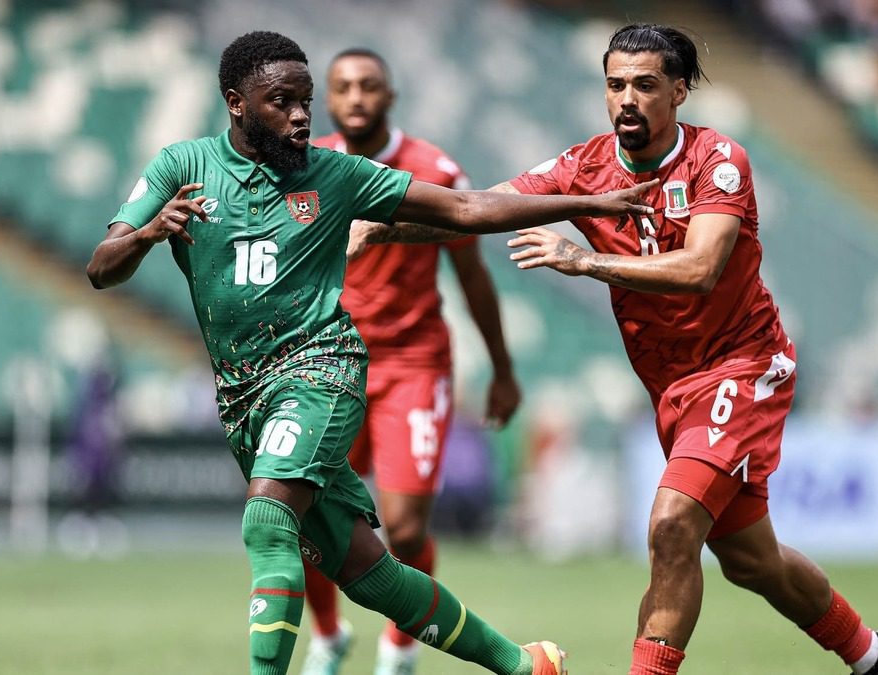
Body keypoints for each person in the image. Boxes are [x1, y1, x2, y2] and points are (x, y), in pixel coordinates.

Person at [85, 31, 653, 675]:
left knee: (268, 519)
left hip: (320, 371)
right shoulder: (181, 167)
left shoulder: (338, 173)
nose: (302, 115)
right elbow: (103, 267)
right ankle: (525, 666)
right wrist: (151, 233)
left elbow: (463, 207)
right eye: (282, 102)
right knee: (368, 573)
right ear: (236, 103)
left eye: (305, 101)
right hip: (244, 396)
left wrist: (584, 203)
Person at [351, 23, 878, 675]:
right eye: (615, 85)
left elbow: (700, 266)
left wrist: (585, 262)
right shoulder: (584, 167)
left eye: (645, 85)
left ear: (679, 91)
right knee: (750, 559)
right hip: (674, 388)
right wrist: (384, 229)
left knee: (672, 524)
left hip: (742, 367)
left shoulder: (716, 160)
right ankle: (871, 654)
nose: (626, 99)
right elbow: (477, 205)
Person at [301, 48, 522, 675]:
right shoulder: (306, 166)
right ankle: (327, 636)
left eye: (369, 85)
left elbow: (474, 275)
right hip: (328, 362)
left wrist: (503, 371)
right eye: (343, 87)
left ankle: (401, 645)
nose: (356, 97)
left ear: (390, 95)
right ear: (329, 98)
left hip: (412, 364)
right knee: (309, 515)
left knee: (400, 529)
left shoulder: (431, 170)